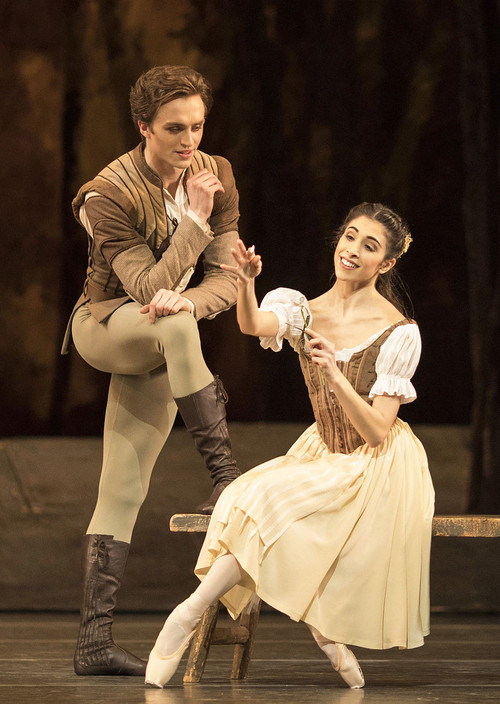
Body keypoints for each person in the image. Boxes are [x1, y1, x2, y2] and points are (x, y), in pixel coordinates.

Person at [145, 202, 435, 689]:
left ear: (385, 263)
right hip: (323, 450)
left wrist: (335, 375)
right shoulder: (303, 309)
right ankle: (322, 632)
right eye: (349, 236)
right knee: (244, 495)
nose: (352, 250)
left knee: (269, 503)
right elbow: (253, 325)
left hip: (376, 464)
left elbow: (376, 431)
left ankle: (188, 613)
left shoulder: (399, 332)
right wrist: (245, 284)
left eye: (369, 246)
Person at [63, 65, 242, 676]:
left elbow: (227, 278)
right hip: (106, 326)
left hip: (167, 339)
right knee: (176, 325)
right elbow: (144, 287)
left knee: (122, 489)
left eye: (197, 126)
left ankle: (93, 643)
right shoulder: (104, 195)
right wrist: (193, 221)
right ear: (143, 127)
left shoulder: (215, 174)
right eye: (174, 129)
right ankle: (226, 477)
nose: (189, 141)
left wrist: (189, 299)